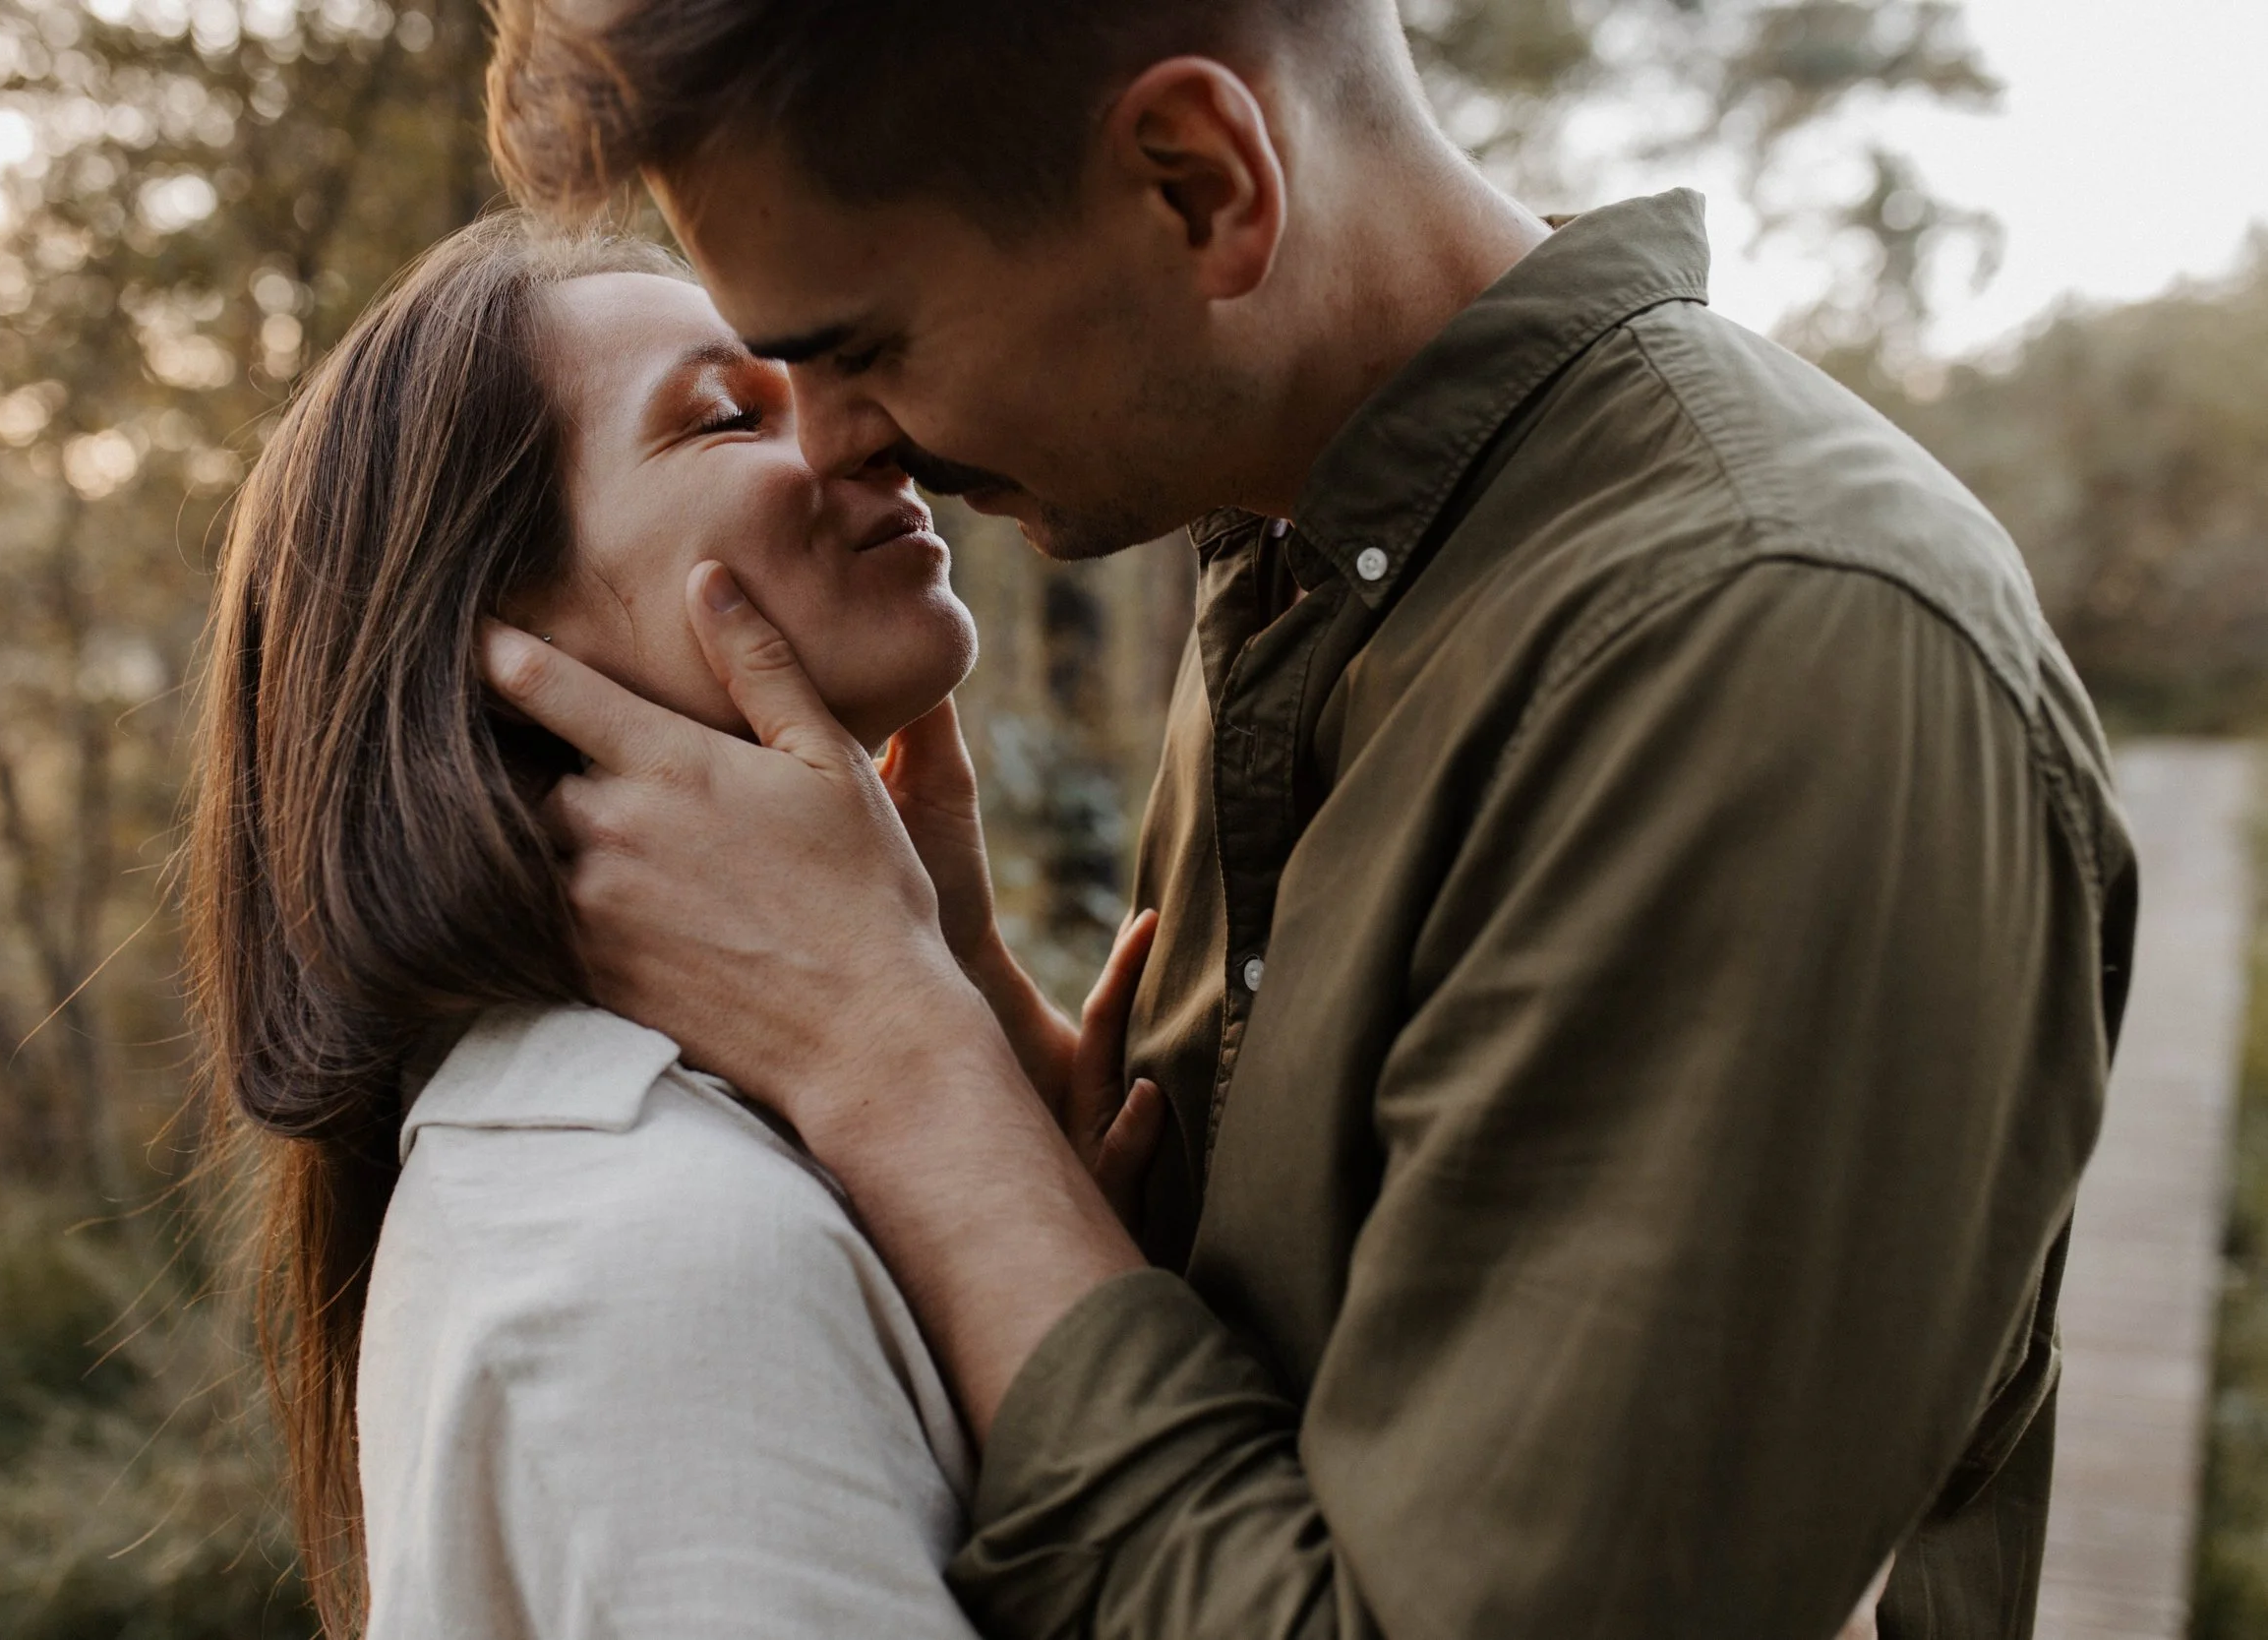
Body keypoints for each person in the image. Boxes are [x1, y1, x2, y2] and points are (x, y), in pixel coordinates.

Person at [476, 3, 2138, 1638]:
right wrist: (999, 1092)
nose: (840, 444)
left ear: (1199, 183)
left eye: (861, 350)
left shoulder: (1764, 652)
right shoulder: (1316, 573)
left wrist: (891, 1058)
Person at [182, 216, 1160, 1640]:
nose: (866, 430)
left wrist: (1025, 1210)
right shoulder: (645, 1247)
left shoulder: (727, 1157)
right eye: (726, 412)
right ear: (513, 637)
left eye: (821, 374)